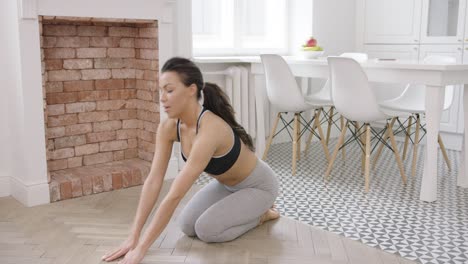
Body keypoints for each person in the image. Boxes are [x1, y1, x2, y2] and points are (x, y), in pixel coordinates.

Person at [102, 57, 280, 264]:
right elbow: (153, 181)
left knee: (207, 230)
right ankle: (248, 209)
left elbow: (175, 194)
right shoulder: (169, 127)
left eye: (169, 90)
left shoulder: (210, 129)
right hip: (226, 186)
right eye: (160, 91)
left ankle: (263, 214)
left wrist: (142, 249)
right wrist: (133, 236)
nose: (162, 98)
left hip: (259, 186)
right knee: (187, 225)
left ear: (191, 90)